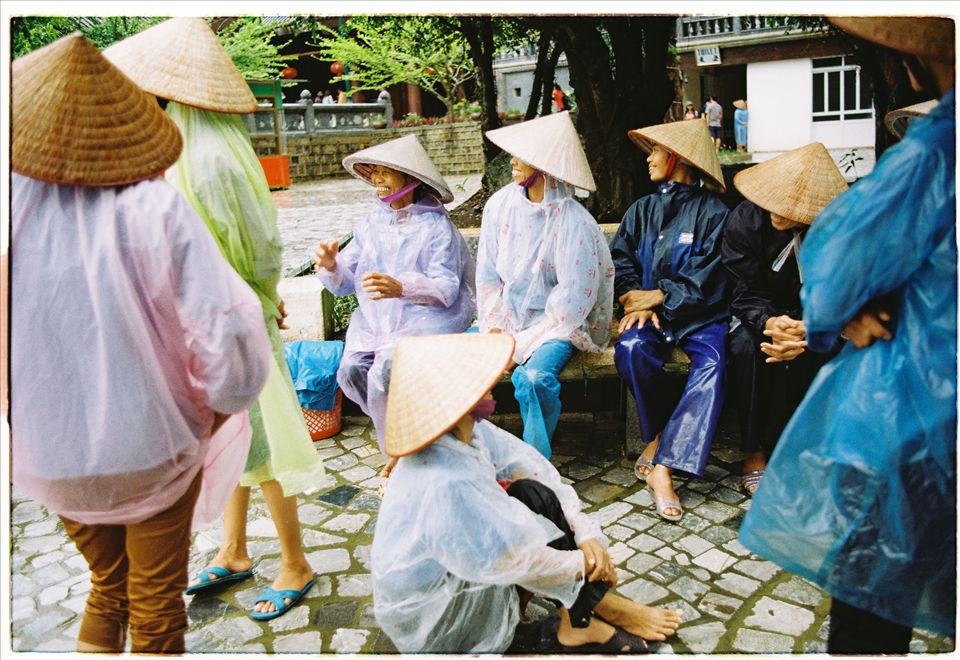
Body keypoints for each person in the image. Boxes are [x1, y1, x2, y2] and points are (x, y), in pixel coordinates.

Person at [10, 34, 272, 653]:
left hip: (51, 448)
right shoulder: (155, 206)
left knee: (109, 587)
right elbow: (227, 332)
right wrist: (216, 408)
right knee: (156, 608)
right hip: (152, 439)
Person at [739, 17, 955, 654]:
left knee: (870, 596)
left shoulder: (938, 151)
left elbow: (834, 275)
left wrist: (834, 315)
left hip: (918, 413)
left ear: (913, 61)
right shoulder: (747, 232)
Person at [105, 17, 324, 621]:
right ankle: (233, 548)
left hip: (229, 320)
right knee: (229, 436)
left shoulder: (204, 158)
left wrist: (259, 294)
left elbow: (255, 249)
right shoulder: (184, 146)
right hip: (205, 318)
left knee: (263, 435)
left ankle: (295, 561)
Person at [372, 333, 683, 653]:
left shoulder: (465, 430)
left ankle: (579, 620)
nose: (492, 379)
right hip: (436, 616)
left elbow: (535, 471)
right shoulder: (444, 479)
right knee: (525, 525)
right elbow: (509, 558)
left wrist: (586, 534)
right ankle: (598, 610)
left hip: (469, 566)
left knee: (531, 492)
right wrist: (584, 564)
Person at [313, 134, 475, 459]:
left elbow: (445, 288)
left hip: (427, 321)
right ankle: (404, 432)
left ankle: (398, 456)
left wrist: (402, 288)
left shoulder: (436, 228)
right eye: (374, 171)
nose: (377, 178)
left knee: (385, 371)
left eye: (386, 171)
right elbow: (346, 282)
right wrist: (332, 265)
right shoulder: (372, 223)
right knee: (351, 370)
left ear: (411, 178)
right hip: (376, 326)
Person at [475, 111, 614, 459]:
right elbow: (488, 275)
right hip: (504, 320)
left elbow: (571, 306)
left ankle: (532, 462)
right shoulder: (499, 207)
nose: (512, 161)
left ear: (543, 164)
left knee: (534, 380)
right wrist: (495, 330)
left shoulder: (574, 222)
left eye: (522, 156)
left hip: (554, 329)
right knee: (454, 363)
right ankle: (466, 454)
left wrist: (517, 347)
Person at [611, 118, 729, 521]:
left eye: (655, 152)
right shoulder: (641, 210)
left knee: (713, 363)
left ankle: (664, 467)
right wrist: (636, 301)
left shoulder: (714, 213)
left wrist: (662, 295)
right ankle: (663, 435)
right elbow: (620, 263)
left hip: (700, 316)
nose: (649, 160)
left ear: (676, 157)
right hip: (650, 319)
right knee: (630, 349)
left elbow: (710, 276)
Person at [721, 142, 848, 495]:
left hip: (814, 316)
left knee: (828, 350)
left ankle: (807, 447)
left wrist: (804, 330)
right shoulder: (746, 220)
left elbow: (836, 292)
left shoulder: (834, 230)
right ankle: (753, 450)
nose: (779, 211)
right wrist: (771, 324)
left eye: (793, 208)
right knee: (747, 348)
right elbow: (743, 291)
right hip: (757, 312)